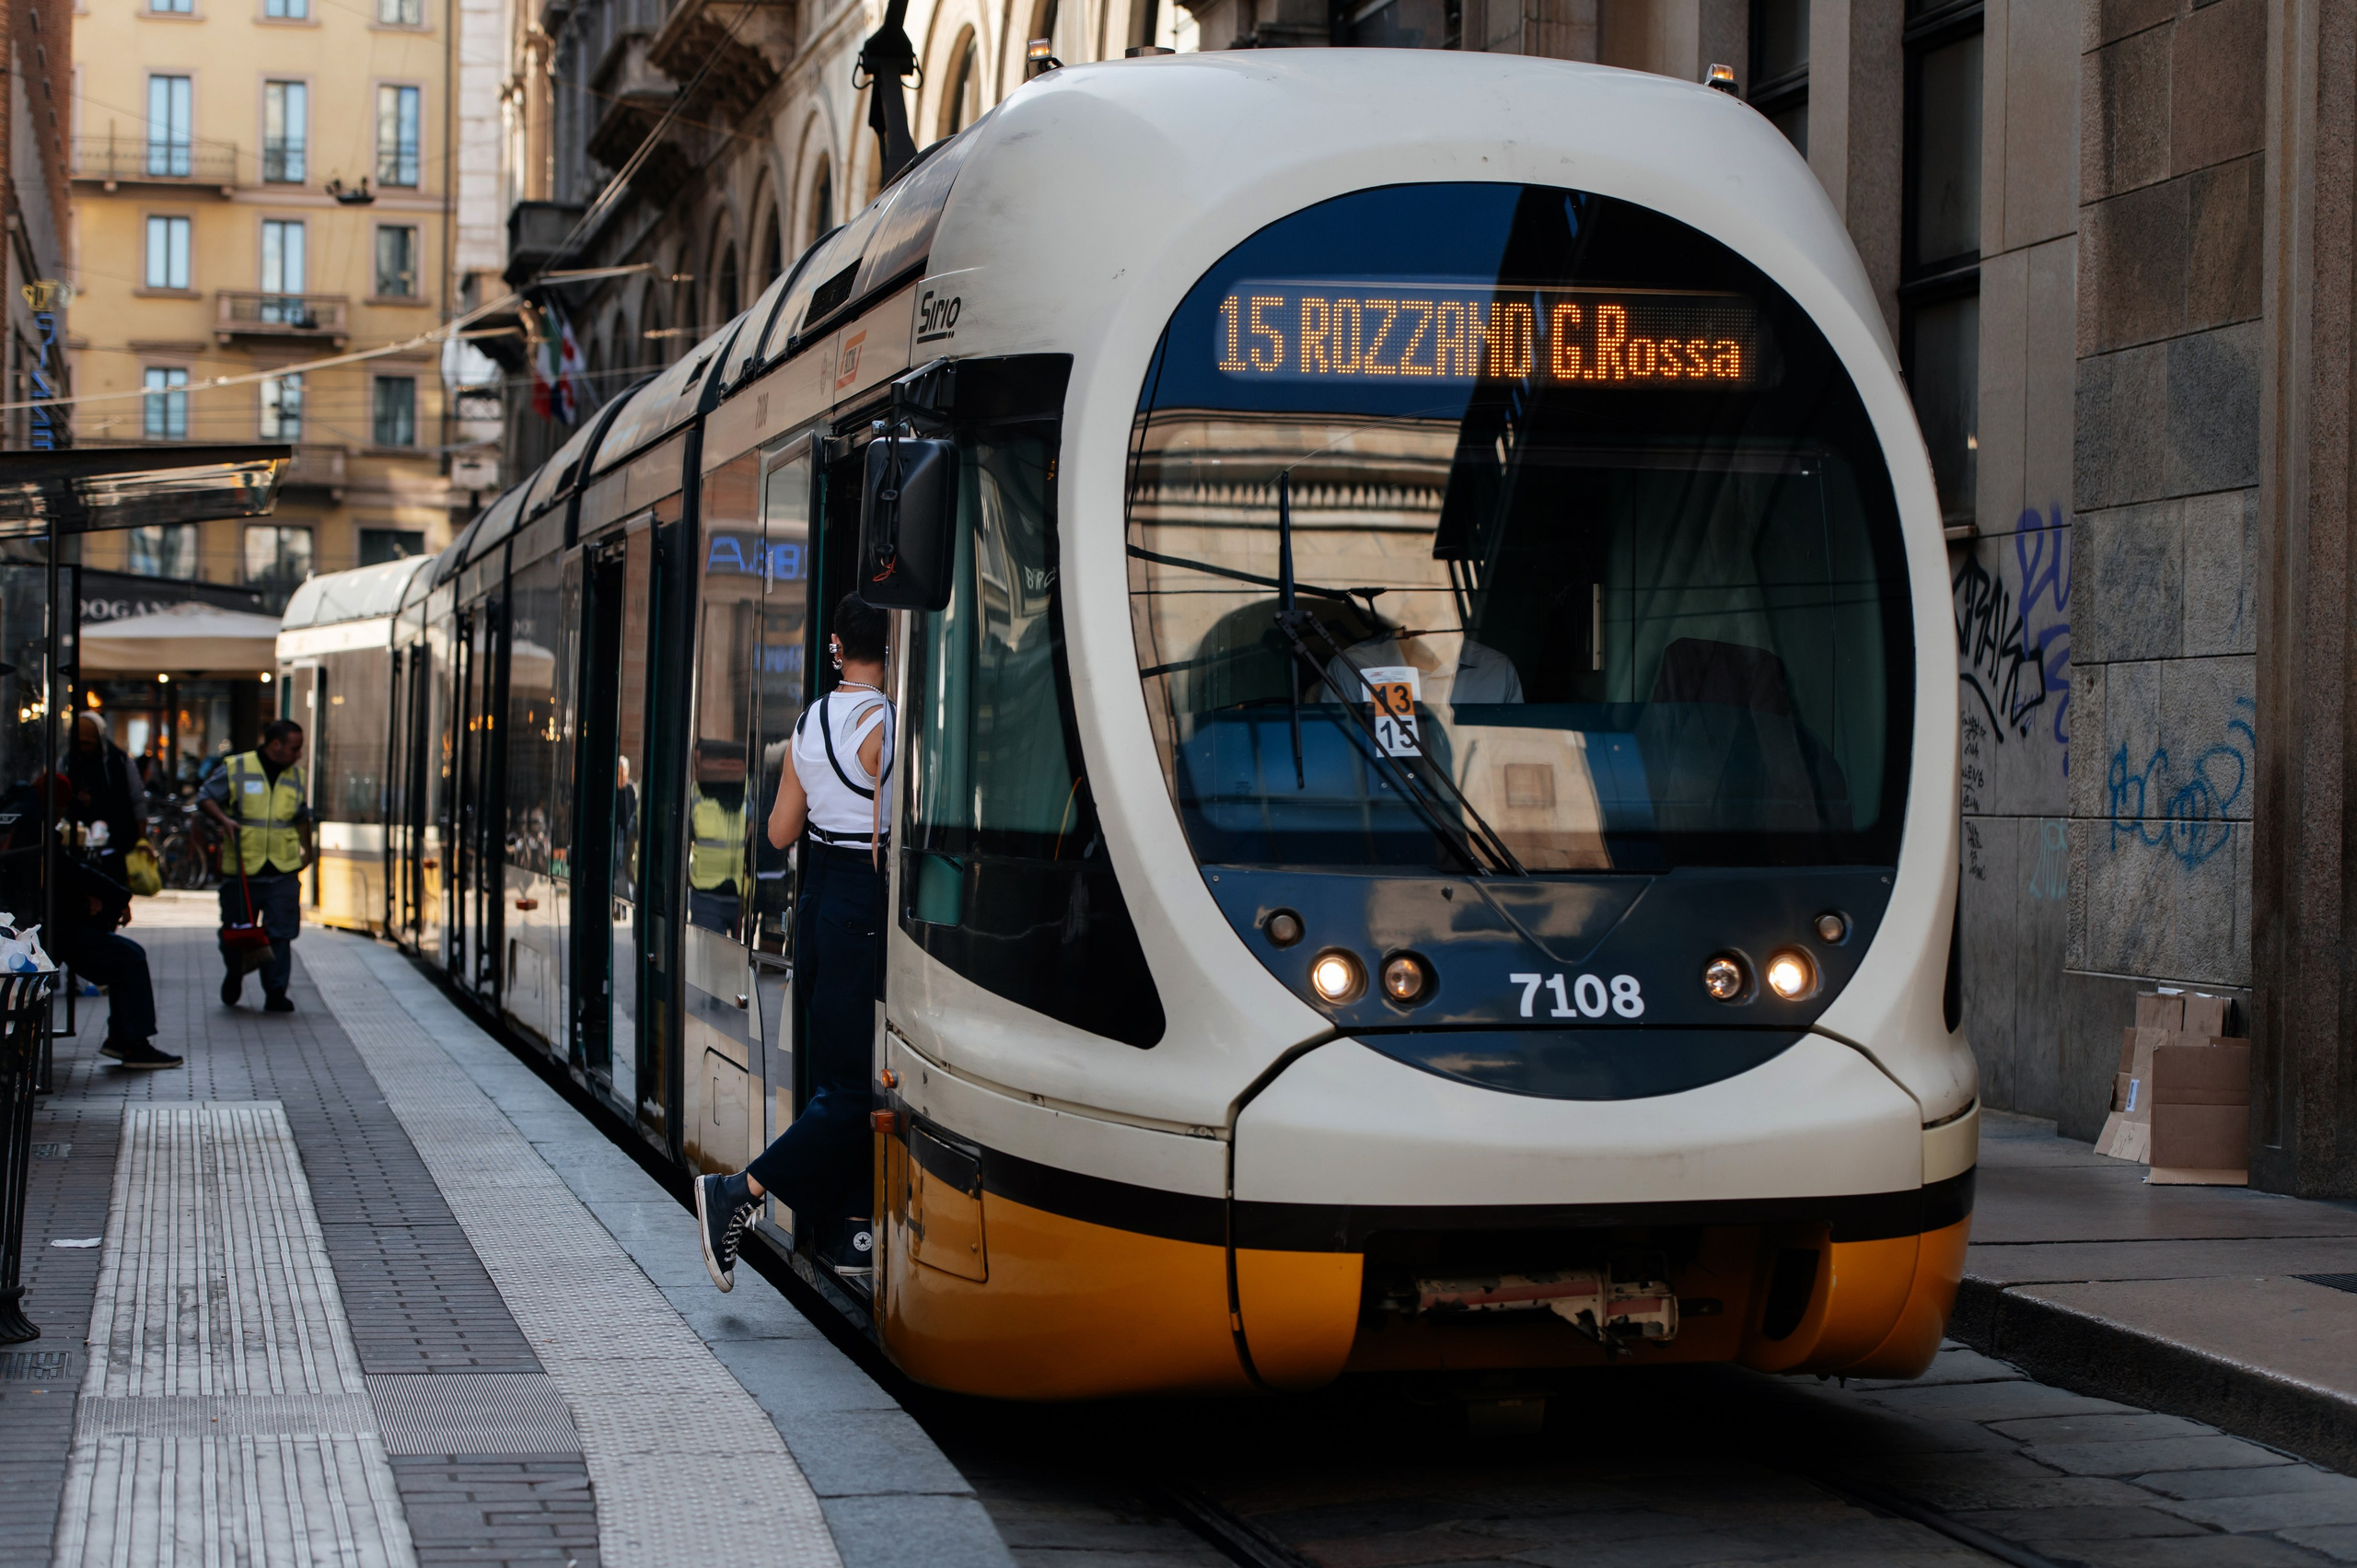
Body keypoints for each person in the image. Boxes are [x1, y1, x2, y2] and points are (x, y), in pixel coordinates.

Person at [695, 595, 891, 1291]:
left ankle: (848, 1234)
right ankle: (738, 1192)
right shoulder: (886, 727)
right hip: (860, 908)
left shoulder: (809, 722)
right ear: (889, 646)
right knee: (850, 1090)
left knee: (838, 1079)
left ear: (837, 645)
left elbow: (779, 833)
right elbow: (885, 836)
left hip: (814, 905)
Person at [199, 718, 315, 1012]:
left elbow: (302, 816)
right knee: (235, 931)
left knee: (280, 933)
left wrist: (308, 851)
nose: (298, 754)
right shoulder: (237, 767)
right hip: (242, 869)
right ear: (275, 744)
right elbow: (205, 798)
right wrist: (224, 821)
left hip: (282, 869)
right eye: (294, 748)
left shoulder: (296, 776)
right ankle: (235, 972)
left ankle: (275, 993)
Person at [62, 713, 146, 886]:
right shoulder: (68, 761)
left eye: (87, 743)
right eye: (79, 743)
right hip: (77, 840)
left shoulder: (119, 761)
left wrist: (141, 838)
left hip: (116, 839)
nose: (83, 748)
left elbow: (137, 799)